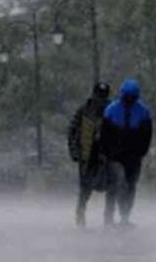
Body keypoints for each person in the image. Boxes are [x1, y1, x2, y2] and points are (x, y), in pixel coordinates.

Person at [100, 79, 153, 228]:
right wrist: (106, 152)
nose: (129, 99)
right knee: (116, 184)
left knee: (129, 185)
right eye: (127, 96)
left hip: (132, 156)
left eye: (132, 96)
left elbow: (147, 135)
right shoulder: (111, 110)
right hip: (116, 156)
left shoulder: (142, 112)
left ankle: (124, 217)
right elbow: (104, 135)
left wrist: (141, 151)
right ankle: (109, 217)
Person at [67, 82, 112, 228]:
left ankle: (108, 219)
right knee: (86, 188)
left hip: (107, 155)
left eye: (103, 97)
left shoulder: (112, 111)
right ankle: (80, 216)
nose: (101, 100)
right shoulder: (84, 111)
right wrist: (74, 151)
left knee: (111, 187)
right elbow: (72, 130)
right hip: (88, 155)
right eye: (99, 97)